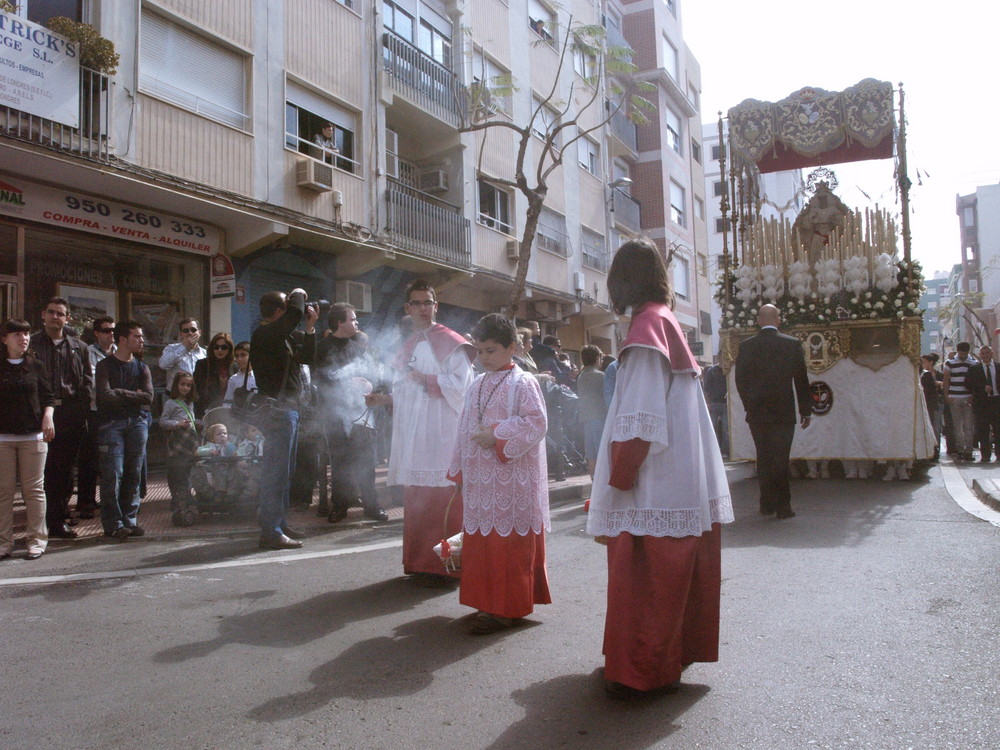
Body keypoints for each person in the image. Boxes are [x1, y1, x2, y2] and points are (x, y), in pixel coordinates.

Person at [586, 238, 732, 699]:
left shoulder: (647, 328)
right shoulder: (664, 321)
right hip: (678, 472)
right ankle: (664, 658)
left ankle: (641, 672)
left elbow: (640, 419)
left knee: (646, 578)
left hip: (655, 478)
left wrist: (619, 478)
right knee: (667, 574)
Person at [366, 279, 475, 585]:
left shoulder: (452, 342)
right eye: (417, 303)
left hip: (442, 434)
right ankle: (419, 562)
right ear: (407, 308)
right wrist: (385, 399)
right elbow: (405, 391)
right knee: (417, 502)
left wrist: (429, 380)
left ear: (436, 306)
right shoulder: (408, 346)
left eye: (428, 302)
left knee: (444, 501)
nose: (423, 309)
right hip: (417, 436)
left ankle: (448, 566)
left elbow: (464, 388)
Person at [448, 314, 551, 634]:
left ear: (512, 347)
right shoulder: (477, 383)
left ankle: (506, 609)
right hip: (481, 480)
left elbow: (537, 423)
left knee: (507, 548)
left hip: (512, 481)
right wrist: (459, 469)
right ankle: (487, 603)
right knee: (483, 545)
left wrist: (497, 434)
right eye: (479, 351)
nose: (483, 358)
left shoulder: (524, 382)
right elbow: (464, 426)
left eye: (491, 350)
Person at [250, 288, 318, 550]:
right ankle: (270, 530)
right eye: (287, 307)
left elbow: (306, 360)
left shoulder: (280, 337)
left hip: (289, 409)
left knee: (285, 472)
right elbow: (297, 310)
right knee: (275, 473)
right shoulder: (267, 332)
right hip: (278, 411)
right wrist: (300, 293)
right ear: (280, 311)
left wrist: (310, 330)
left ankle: (278, 522)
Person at [735, 303, 811, 519]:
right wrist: (805, 410)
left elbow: (740, 380)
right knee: (781, 458)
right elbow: (801, 380)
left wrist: (749, 405)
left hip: (758, 413)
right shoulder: (792, 344)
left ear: (759, 320)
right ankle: (783, 506)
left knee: (764, 457)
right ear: (778, 320)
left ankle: (766, 502)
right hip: (783, 412)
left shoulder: (747, 346)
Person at [315, 303, 389, 523]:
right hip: (335, 413)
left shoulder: (357, 346)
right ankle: (339, 505)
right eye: (353, 319)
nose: (357, 323)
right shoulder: (323, 347)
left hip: (360, 412)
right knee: (339, 461)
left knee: (367, 460)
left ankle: (371, 504)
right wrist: (347, 381)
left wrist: (369, 383)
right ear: (340, 322)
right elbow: (319, 378)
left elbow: (371, 373)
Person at [30, 297, 93, 539]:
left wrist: (82, 411)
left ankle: (57, 520)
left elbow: (87, 382)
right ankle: (40, 521)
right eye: (52, 312)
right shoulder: (32, 344)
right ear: (43, 315)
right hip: (39, 413)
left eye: (61, 314)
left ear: (67, 319)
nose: (56, 317)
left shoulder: (79, 347)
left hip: (69, 414)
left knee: (64, 470)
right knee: (40, 470)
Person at [0, 318, 55, 560]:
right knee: (4, 492)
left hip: (33, 436)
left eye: (26, 333)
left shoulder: (36, 365)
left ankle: (36, 541)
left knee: (34, 490)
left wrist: (48, 417)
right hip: (2, 438)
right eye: (16, 334)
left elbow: (48, 397)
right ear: (4, 339)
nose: (23, 338)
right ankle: (4, 543)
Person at [95, 320, 154, 540]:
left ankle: (130, 520)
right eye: (137, 336)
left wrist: (120, 392)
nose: (141, 340)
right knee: (113, 473)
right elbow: (105, 396)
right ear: (122, 339)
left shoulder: (142, 367)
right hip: (112, 425)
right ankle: (113, 523)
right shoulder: (105, 366)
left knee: (134, 472)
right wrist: (132, 395)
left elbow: (148, 397)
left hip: (138, 423)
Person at [77, 315, 116, 519]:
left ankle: (112, 501)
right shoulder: (88, 353)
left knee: (113, 459)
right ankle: (86, 502)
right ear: (97, 333)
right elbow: (91, 383)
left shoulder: (121, 352)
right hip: (94, 411)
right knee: (89, 459)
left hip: (115, 413)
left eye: (113, 330)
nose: (111, 334)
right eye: (106, 330)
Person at [159, 371, 200, 512]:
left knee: (189, 472)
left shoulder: (190, 403)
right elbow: (163, 421)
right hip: (177, 443)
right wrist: (177, 424)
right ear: (176, 385)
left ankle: (187, 498)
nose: (185, 388)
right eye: (182, 384)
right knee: (177, 471)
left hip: (189, 442)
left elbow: (192, 420)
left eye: (189, 385)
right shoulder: (170, 403)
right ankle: (178, 500)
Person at [576, 344, 607, 479]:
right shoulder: (600, 376)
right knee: (602, 451)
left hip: (586, 417)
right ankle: (603, 481)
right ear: (596, 358)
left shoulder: (581, 375)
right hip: (599, 416)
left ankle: (594, 480)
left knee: (591, 454)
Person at [942, 342, 977, 461]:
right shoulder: (949, 363)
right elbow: (946, 380)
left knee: (968, 425)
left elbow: (975, 382)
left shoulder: (973, 363)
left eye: (964, 353)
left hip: (968, 397)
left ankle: (968, 450)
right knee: (957, 426)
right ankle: (960, 450)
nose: (962, 355)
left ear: (968, 352)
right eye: (960, 353)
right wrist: (947, 396)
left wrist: (973, 395)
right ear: (957, 351)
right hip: (954, 397)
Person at [966, 345, 1000, 463]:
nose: (984, 356)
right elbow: (968, 384)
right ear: (980, 355)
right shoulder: (974, 369)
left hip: (996, 401)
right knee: (983, 430)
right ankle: (985, 455)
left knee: (998, 428)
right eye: (982, 354)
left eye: (987, 353)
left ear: (991, 354)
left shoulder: (998, 367)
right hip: (982, 403)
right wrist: (982, 388)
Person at [158, 318, 206, 392]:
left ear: (199, 333)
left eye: (193, 330)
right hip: (176, 397)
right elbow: (163, 365)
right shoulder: (171, 348)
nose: (190, 333)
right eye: (186, 331)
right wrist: (184, 346)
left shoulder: (205, 353)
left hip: (197, 397)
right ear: (181, 334)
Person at [193, 332, 235, 417]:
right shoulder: (202, 365)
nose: (220, 350)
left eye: (224, 347)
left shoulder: (234, 366)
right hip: (207, 410)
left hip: (229, 411)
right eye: (216, 347)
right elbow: (196, 391)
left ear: (230, 349)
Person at [702, 361, 729, 458]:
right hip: (714, 403)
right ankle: (715, 450)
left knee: (726, 429)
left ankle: (725, 451)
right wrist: (708, 402)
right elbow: (706, 389)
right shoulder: (712, 371)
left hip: (726, 404)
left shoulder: (729, 370)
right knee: (714, 428)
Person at [920, 354, 942, 461]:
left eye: (923, 361)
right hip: (923, 405)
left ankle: (934, 450)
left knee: (934, 428)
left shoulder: (927, 375)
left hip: (930, 405)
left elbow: (932, 391)